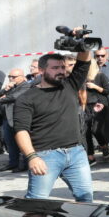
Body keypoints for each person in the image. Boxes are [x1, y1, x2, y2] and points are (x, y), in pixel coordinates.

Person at [14, 41, 95, 202]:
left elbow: (84, 62)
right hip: (45, 156)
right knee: (36, 203)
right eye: (55, 68)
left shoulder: (70, 85)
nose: (61, 71)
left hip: (76, 153)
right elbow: (21, 131)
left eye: (63, 67)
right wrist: (32, 157)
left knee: (86, 201)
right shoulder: (26, 98)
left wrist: (82, 40)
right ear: (41, 70)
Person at [0, 69, 30, 172]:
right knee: (10, 142)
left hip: (17, 118)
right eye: (9, 76)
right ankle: (12, 163)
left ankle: (25, 165)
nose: (11, 79)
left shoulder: (26, 86)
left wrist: (3, 98)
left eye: (13, 77)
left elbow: (14, 97)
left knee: (21, 142)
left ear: (22, 77)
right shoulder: (10, 86)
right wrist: (5, 89)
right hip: (6, 118)